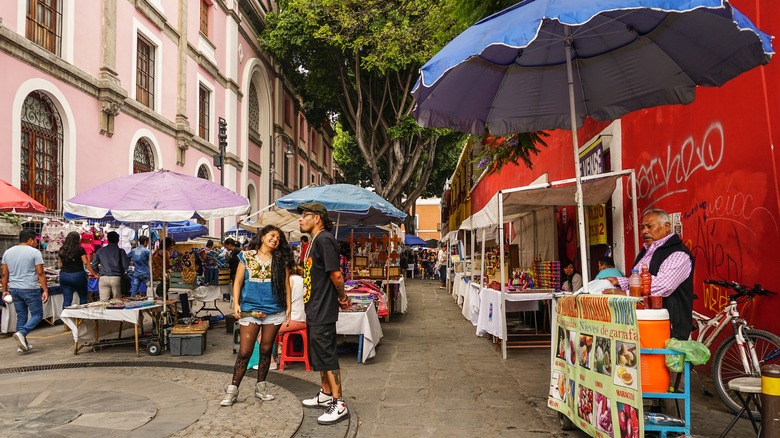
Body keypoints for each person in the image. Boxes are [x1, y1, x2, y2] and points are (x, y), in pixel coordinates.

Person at [220, 225, 293, 406]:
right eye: (272, 235)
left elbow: (286, 286)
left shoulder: (280, 260)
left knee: (266, 350)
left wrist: (289, 308)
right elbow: (237, 282)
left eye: (278, 238)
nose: (275, 239)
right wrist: (236, 303)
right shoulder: (246, 256)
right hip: (249, 310)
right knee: (244, 352)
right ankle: (233, 390)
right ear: (262, 237)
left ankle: (261, 388)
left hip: (274, 311)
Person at [297, 202, 351, 425]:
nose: (300, 219)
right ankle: (326, 393)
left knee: (327, 354)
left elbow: (336, 275)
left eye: (305, 216)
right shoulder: (314, 241)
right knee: (318, 353)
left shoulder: (325, 239)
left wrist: (342, 296)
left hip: (323, 308)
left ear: (317, 218)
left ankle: (339, 403)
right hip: (314, 306)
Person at [605, 209, 694, 340]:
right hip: (643, 322)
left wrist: (627, 294)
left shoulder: (678, 253)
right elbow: (638, 279)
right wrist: (618, 281)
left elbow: (663, 286)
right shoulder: (646, 251)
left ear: (667, 227)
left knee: (663, 359)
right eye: (642, 228)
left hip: (669, 325)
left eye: (650, 226)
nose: (645, 231)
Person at [2, 230, 49, 352]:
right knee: (37, 315)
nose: (36, 243)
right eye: (35, 241)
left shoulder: (8, 252)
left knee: (21, 315)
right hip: (30, 288)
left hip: (15, 289)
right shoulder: (34, 252)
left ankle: (22, 345)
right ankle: (22, 333)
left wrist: (4, 290)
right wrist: (45, 290)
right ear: (30, 240)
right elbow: (40, 272)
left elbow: (4, 274)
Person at [58, 231, 99, 308]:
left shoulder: (62, 249)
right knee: (83, 298)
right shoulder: (80, 249)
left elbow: (60, 265)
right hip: (78, 275)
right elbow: (86, 263)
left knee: (67, 300)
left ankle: (65, 318)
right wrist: (95, 274)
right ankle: (81, 318)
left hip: (64, 275)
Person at [91, 231, 129, 301]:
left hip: (103, 277)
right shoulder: (121, 251)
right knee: (117, 302)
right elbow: (126, 265)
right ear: (118, 240)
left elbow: (93, 265)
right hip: (116, 277)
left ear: (108, 239)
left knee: (103, 301)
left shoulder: (100, 250)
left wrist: (99, 272)